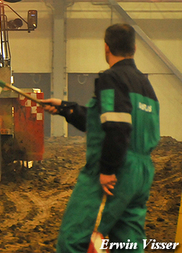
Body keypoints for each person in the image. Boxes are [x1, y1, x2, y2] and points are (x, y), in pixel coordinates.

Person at [43, 23, 160, 253]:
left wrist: (107, 170)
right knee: (127, 243)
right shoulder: (145, 85)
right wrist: (67, 108)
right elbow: (103, 122)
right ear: (134, 48)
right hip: (141, 173)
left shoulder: (112, 78)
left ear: (106, 47)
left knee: (74, 241)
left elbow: (117, 127)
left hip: (115, 172)